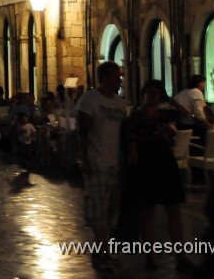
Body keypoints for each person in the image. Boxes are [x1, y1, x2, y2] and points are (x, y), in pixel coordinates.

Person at [123, 79, 192, 272]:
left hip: (164, 159)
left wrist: (170, 99)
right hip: (146, 161)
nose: (152, 96)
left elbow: (185, 114)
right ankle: (150, 256)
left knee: (173, 209)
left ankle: (181, 255)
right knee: (148, 211)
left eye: (156, 93)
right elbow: (132, 143)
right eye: (149, 92)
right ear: (144, 93)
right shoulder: (135, 117)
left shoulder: (164, 114)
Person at [76, 61, 127, 273]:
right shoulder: (89, 100)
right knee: (98, 209)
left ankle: (101, 249)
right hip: (96, 162)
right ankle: (103, 252)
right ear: (105, 78)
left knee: (110, 210)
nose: (120, 80)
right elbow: (82, 130)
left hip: (114, 162)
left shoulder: (120, 104)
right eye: (116, 77)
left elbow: (123, 133)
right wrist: (84, 158)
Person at [173, 75, 210, 142]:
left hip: (180, 124)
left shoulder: (182, 92)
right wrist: (207, 125)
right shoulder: (197, 92)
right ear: (199, 83)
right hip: (191, 125)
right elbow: (199, 112)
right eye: (203, 83)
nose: (204, 85)